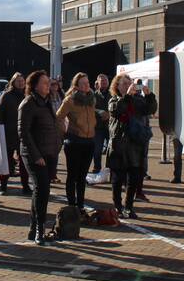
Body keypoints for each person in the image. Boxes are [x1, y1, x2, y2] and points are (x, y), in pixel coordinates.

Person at [18, 70, 60, 245]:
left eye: (48, 82)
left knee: (42, 190)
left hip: (49, 152)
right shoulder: (28, 103)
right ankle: (39, 229)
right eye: (44, 82)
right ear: (34, 85)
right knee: (42, 190)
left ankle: (33, 226)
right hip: (34, 154)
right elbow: (23, 133)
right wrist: (36, 156)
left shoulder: (47, 102)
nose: (47, 85)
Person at [106, 73, 156, 219]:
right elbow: (118, 109)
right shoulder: (113, 100)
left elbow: (150, 109)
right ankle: (117, 205)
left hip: (135, 144)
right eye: (124, 84)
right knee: (117, 178)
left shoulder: (137, 100)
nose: (128, 86)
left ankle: (128, 206)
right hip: (119, 144)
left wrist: (149, 96)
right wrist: (127, 96)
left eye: (130, 83)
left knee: (134, 177)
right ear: (117, 86)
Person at [56, 73, 96, 210]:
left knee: (82, 176)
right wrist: (65, 133)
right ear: (76, 86)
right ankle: (72, 205)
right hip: (75, 141)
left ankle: (80, 205)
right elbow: (58, 117)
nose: (86, 85)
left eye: (87, 82)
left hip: (89, 141)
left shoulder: (91, 99)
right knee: (72, 175)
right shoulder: (70, 100)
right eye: (83, 83)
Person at [0, 73, 30, 195]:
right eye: (18, 81)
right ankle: (3, 187)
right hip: (8, 133)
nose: (21, 83)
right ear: (13, 82)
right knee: (7, 161)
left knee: (24, 161)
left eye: (22, 80)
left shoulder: (27, 96)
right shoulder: (7, 95)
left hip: (23, 133)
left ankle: (25, 186)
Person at [91, 74, 111, 173]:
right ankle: (97, 167)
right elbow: (90, 108)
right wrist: (99, 112)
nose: (103, 82)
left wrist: (109, 114)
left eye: (105, 80)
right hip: (98, 127)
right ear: (97, 83)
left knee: (111, 149)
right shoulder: (93, 95)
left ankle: (109, 168)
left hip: (110, 126)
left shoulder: (113, 94)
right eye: (101, 81)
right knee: (97, 149)